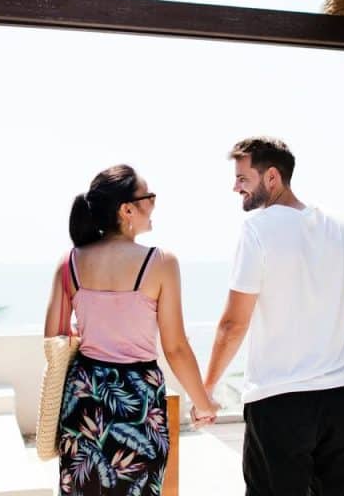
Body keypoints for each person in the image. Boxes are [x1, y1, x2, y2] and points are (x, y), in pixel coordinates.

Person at [202, 138, 344, 496]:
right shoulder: (341, 229)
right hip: (340, 401)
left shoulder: (257, 230)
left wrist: (207, 388)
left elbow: (234, 324)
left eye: (242, 178)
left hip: (279, 401)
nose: (235, 187)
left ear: (271, 177)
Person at [46, 164, 219, 495]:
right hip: (138, 401)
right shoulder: (161, 263)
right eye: (148, 197)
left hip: (84, 398)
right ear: (126, 210)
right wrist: (204, 403)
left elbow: (55, 339)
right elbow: (176, 348)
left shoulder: (69, 263)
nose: (154, 204)